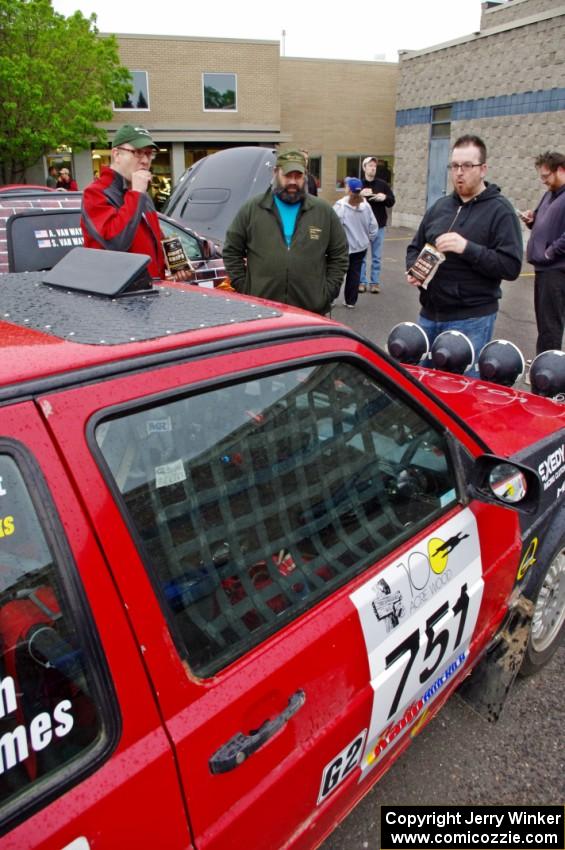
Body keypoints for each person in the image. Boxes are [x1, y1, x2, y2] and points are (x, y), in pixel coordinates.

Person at [406, 134, 522, 375]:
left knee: (460, 392)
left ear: (483, 169)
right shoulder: (439, 207)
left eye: (467, 166)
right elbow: (415, 247)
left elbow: (510, 266)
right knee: (420, 385)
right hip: (429, 313)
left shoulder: (500, 211)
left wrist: (467, 248)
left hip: (471, 319)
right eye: (454, 165)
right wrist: (413, 269)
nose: (459, 172)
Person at [222, 149, 348, 314]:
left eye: (298, 176)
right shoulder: (253, 209)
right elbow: (231, 250)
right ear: (275, 173)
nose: (293, 182)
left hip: (311, 310)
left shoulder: (323, 211)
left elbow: (339, 255)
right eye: (287, 175)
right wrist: (246, 288)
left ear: (305, 176)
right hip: (263, 309)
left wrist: (326, 292)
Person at [81, 124, 190, 281]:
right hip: (117, 296)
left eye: (149, 154)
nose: (145, 160)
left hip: (151, 289)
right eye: (138, 153)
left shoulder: (140, 193)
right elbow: (116, 243)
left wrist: (174, 263)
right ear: (117, 154)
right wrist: (136, 193)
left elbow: (154, 236)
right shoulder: (96, 193)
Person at [521, 151, 565, 354]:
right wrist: (531, 219)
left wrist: (551, 252)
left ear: (561, 170)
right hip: (543, 268)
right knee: (543, 322)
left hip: (556, 270)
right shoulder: (549, 195)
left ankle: (549, 372)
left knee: (550, 325)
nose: (543, 181)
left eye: (546, 176)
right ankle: (543, 363)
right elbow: (541, 218)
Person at [333, 177, 378, 308]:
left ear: (348, 189)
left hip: (343, 247)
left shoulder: (341, 206)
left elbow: (334, 226)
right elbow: (374, 227)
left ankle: (331, 298)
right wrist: (368, 239)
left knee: (337, 273)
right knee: (355, 273)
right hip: (361, 247)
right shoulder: (366, 206)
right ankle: (350, 301)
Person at [359, 156, 395, 293]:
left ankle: (374, 283)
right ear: (364, 168)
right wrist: (360, 194)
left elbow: (392, 201)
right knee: (361, 256)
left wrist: (384, 197)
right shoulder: (359, 184)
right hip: (362, 225)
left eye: (374, 166)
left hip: (379, 224)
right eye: (370, 165)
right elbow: (350, 200)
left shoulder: (382, 185)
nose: (373, 168)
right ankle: (362, 282)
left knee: (377, 256)